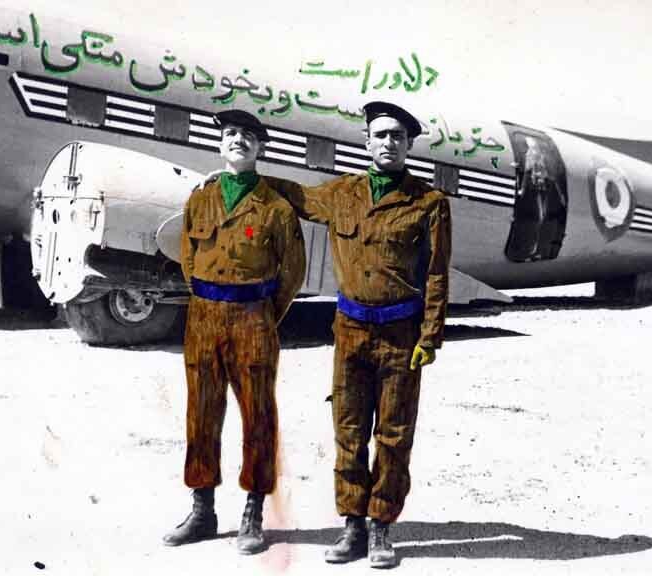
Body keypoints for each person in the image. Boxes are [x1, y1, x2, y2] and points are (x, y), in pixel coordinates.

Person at [271, 101, 452, 568]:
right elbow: (296, 196)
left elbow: (436, 273)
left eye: (397, 136)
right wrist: (248, 179)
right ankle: (352, 525)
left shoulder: (429, 203)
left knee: (394, 434)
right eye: (381, 135)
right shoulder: (342, 194)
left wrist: (429, 337)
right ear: (366, 141)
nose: (389, 142)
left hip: (401, 335)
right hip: (350, 332)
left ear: (408, 145)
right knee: (348, 431)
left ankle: (381, 528)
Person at [163, 109, 306, 555]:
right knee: (201, 414)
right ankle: (202, 510)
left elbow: (292, 272)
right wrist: (209, 300)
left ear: (260, 147)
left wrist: (261, 314)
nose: (237, 140)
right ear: (220, 143)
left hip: (253, 318)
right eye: (229, 133)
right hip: (204, 317)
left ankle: (253, 513)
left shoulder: (276, 208)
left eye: (247, 135)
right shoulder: (200, 199)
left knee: (257, 416)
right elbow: (188, 258)